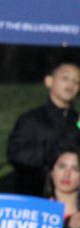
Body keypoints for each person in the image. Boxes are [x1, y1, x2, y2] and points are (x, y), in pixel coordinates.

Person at [8, 61, 80, 196]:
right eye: (65, 78)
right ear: (49, 81)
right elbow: (17, 155)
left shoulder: (77, 121)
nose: (71, 85)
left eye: (76, 81)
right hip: (35, 195)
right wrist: (54, 151)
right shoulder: (30, 119)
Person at [41, 147, 80, 228]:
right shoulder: (36, 213)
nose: (67, 174)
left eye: (75, 169)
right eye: (62, 166)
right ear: (52, 171)